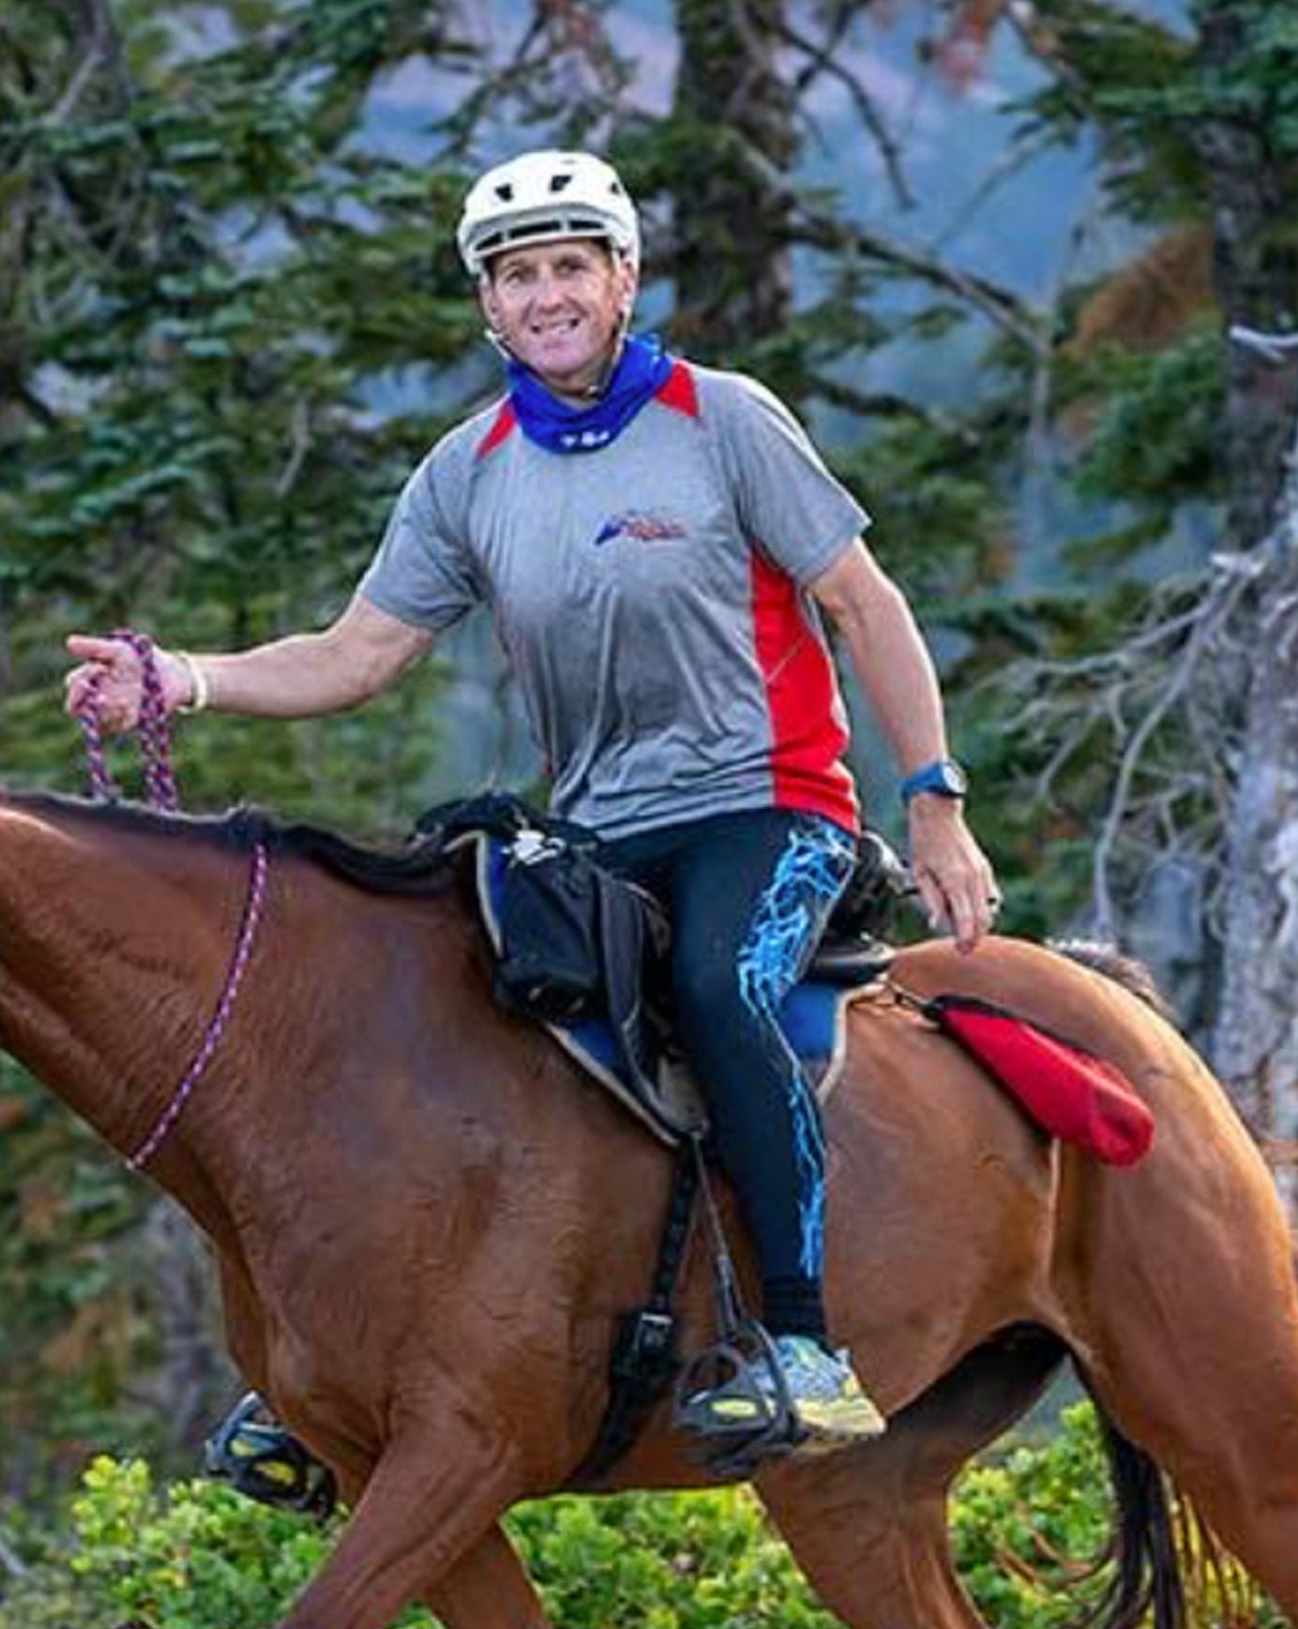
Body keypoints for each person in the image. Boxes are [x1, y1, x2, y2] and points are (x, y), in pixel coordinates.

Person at [64, 149, 1002, 1450]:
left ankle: (803, 1342)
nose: (547, 294)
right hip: (599, 831)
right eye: (518, 276)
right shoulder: (470, 471)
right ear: (488, 308)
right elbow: (356, 656)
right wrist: (179, 680)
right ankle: (351, 1347)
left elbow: (864, 602)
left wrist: (934, 799)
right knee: (433, 1000)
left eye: (571, 265)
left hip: (767, 806)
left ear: (623, 279)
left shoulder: (722, 418)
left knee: (724, 988)